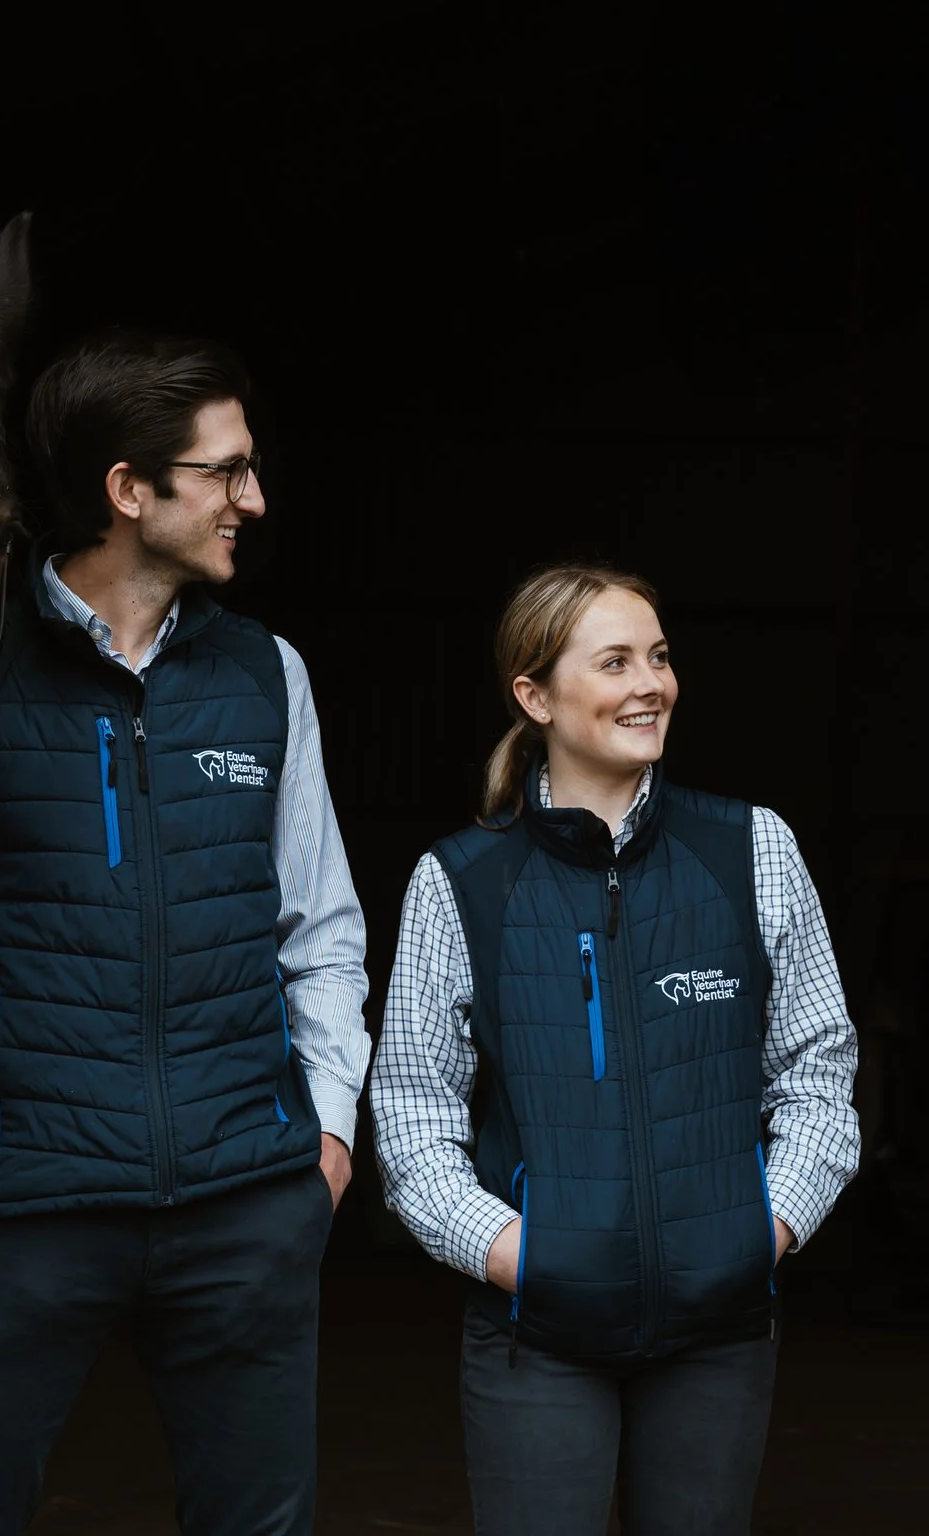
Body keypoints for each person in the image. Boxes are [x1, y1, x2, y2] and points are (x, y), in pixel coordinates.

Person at [0, 331, 370, 1536]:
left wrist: (323, 1138)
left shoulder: (268, 674)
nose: (254, 499)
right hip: (23, 1206)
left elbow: (319, 926)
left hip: (243, 1204)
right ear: (130, 491)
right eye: (226, 471)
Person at [370, 565, 861, 1536]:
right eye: (616, 661)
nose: (651, 682)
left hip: (719, 1330)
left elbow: (818, 1070)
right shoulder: (461, 882)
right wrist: (519, 1255)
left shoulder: (750, 849)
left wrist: (760, 1231)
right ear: (534, 694)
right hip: (537, 1333)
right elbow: (412, 1113)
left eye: (661, 657)